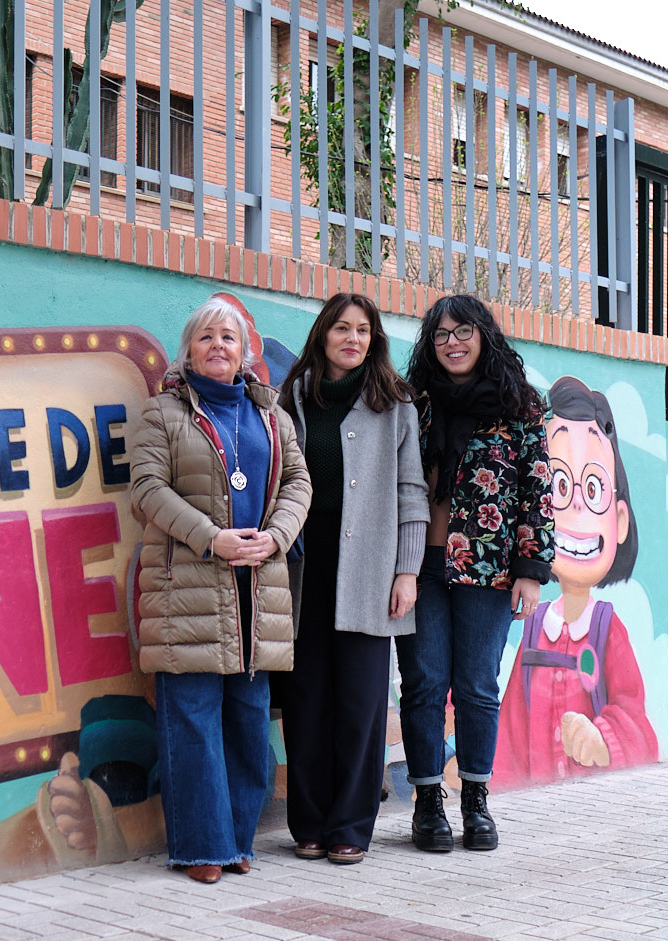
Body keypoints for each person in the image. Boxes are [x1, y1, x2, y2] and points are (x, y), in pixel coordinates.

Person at [129, 294, 311, 884]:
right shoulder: (162, 414)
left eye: (228, 338)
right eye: (206, 337)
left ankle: (237, 842)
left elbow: (298, 486)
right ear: (188, 351)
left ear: (244, 354)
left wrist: (274, 536)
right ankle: (200, 847)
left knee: (248, 725)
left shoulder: (270, 418)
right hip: (188, 591)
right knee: (193, 723)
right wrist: (214, 539)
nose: (217, 347)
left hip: (256, 593)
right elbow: (148, 491)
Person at [276, 293, 427, 865]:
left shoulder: (396, 407)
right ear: (323, 334)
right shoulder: (292, 400)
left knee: (361, 701)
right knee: (306, 697)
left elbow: (412, 495)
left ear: (374, 340)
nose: (353, 339)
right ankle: (309, 823)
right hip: (302, 567)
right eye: (342, 327)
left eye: (364, 330)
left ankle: (350, 826)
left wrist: (407, 571)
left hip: (368, 569)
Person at [400, 294, 553, 852]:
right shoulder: (412, 404)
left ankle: (475, 798)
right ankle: (425, 801)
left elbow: (538, 491)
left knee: (476, 687)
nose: (452, 344)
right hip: (418, 567)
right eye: (440, 336)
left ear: (484, 335)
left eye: (463, 332)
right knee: (422, 683)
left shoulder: (521, 406)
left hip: (488, 570)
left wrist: (531, 569)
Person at [492, 376, 657, 786]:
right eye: (559, 486)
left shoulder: (606, 629)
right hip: (534, 804)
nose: (577, 506)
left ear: (618, 520)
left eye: (593, 488)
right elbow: (511, 727)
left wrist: (603, 739)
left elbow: (632, 709)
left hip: (591, 803)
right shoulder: (533, 627)